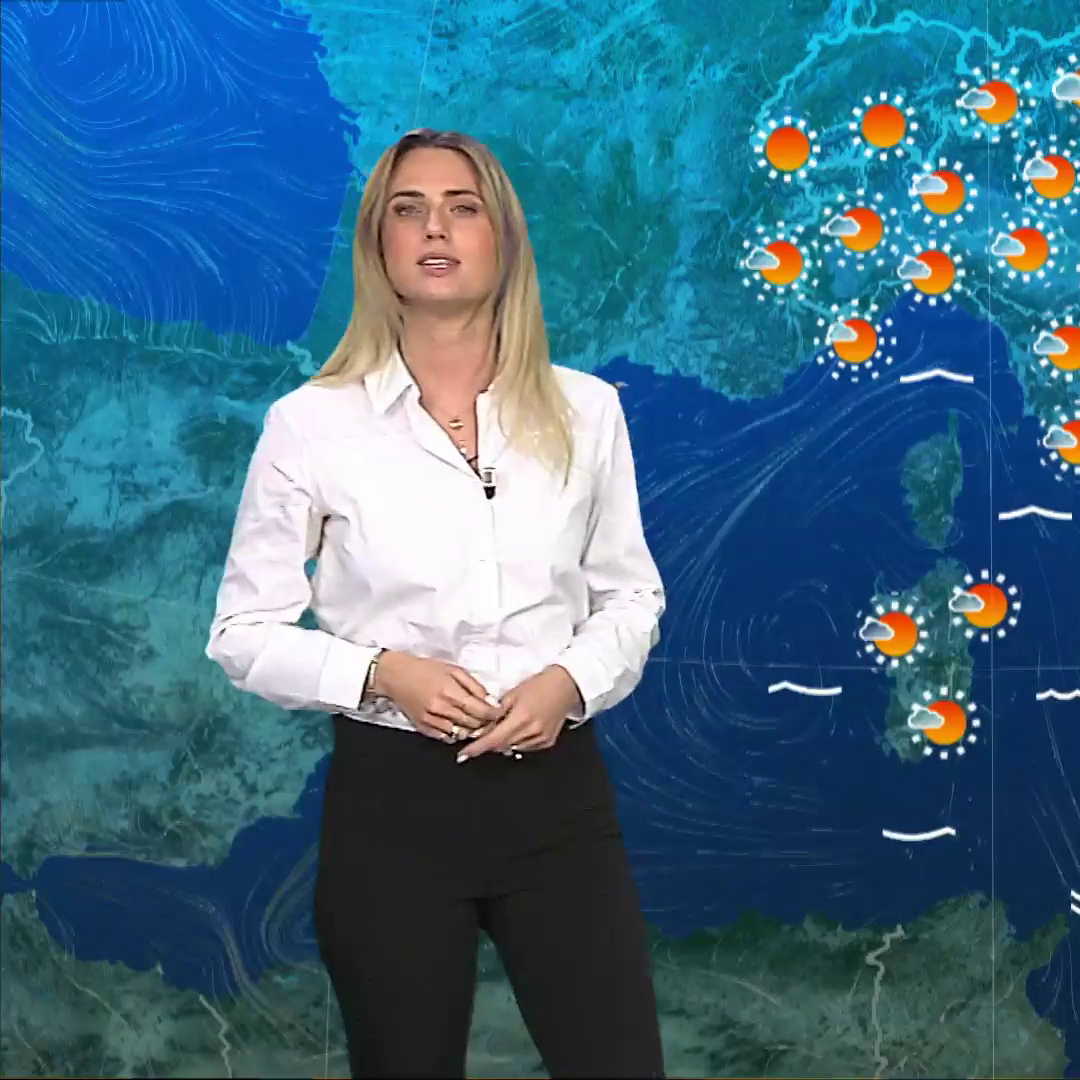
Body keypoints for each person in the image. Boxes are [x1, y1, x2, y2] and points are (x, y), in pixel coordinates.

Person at [205, 128, 666, 1079]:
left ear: (504, 239)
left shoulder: (588, 412)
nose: (435, 229)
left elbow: (630, 595)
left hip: (559, 804)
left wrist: (568, 683)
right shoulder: (310, 426)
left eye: (463, 207)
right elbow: (242, 635)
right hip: (393, 813)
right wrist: (381, 674)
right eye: (407, 210)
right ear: (378, 244)